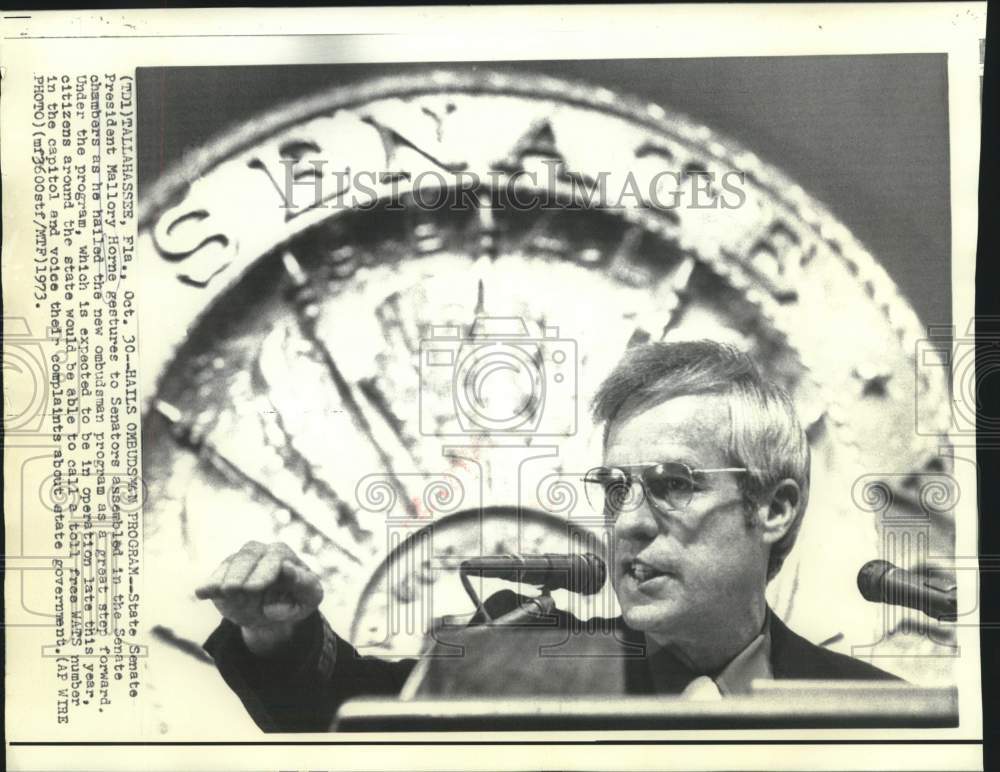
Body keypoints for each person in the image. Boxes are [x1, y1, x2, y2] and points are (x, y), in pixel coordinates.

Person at [196, 340, 898, 731]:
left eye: (673, 484)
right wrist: (277, 636)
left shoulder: (879, 713)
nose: (628, 521)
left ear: (772, 509)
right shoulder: (531, 671)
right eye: (615, 488)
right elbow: (344, 712)